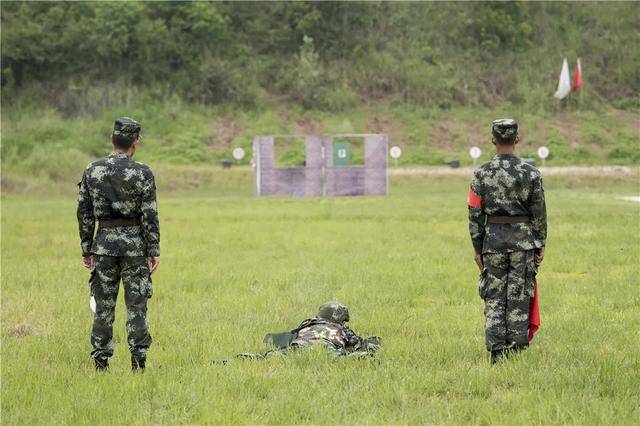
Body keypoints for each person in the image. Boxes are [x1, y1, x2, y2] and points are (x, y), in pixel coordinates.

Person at [77, 117, 160, 372]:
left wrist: (86, 247)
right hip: (135, 248)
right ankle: (138, 364)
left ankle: (101, 363)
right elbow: (149, 214)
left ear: (112, 140)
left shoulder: (92, 170)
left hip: (103, 246)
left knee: (103, 306)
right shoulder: (143, 172)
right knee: (137, 306)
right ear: (134, 143)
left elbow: (84, 212)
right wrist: (153, 250)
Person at [467, 119, 547, 364]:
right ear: (517, 139)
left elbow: (474, 214)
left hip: (492, 244)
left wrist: (478, 248)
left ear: (493, 140)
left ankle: (496, 352)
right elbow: (539, 213)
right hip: (523, 245)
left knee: (494, 297)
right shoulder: (531, 173)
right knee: (518, 296)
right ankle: (516, 350)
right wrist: (540, 244)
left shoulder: (480, 174)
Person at [236, 301, 381, 360]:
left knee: (271, 357)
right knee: (343, 360)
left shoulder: (307, 323)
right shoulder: (340, 329)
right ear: (339, 318)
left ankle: (247, 358)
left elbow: (289, 337)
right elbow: (356, 344)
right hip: (325, 347)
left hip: (300, 344)